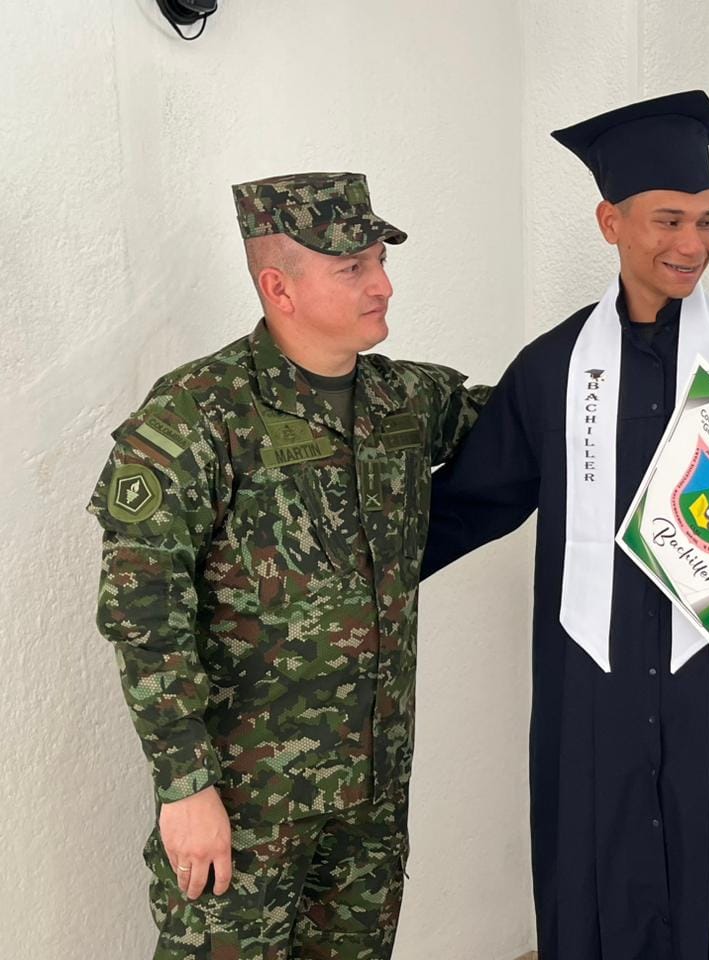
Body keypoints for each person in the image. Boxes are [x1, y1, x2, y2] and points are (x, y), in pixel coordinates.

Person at [420, 90, 709, 960]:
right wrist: (341, 570)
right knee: (601, 885)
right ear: (609, 222)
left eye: (707, 220)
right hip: (599, 690)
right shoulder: (553, 371)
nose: (692, 245)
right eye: (668, 220)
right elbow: (469, 503)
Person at [87, 172, 488, 959]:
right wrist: (185, 786)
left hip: (369, 799)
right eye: (354, 269)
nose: (383, 285)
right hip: (243, 802)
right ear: (280, 287)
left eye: (379, 261)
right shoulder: (197, 414)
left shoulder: (402, 403)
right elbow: (143, 611)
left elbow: (529, 425)